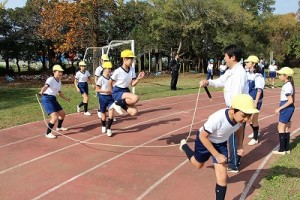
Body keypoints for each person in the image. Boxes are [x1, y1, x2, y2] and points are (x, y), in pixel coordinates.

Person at [180, 94, 259, 200]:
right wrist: (216, 155)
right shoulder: (218, 118)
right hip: (204, 141)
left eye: (249, 116)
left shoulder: (239, 120)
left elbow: (239, 129)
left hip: (220, 144)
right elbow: (203, 136)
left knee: (222, 177)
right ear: (232, 110)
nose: (246, 119)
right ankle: (184, 146)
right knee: (198, 164)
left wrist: (240, 144)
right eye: (244, 115)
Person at [200, 44, 248, 173]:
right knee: (232, 134)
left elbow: (237, 94)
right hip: (233, 108)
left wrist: (233, 111)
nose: (224, 58)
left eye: (225, 56)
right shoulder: (231, 71)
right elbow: (221, 81)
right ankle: (234, 161)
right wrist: (208, 82)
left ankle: (234, 164)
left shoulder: (239, 73)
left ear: (232, 57)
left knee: (233, 135)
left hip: (237, 108)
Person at [109, 49, 145, 116]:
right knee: (135, 98)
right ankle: (116, 103)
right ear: (124, 59)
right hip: (117, 91)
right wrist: (112, 92)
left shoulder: (132, 69)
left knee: (134, 112)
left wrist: (138, 78)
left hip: (126, 90)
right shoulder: (118, 71)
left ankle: (118, 104)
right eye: (130, 59)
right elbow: (110, 81)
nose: (132, 61)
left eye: (132, 59)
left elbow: (132, 84)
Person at [39, 65, 70, 139]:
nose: (60, 73)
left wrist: (66, 98)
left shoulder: (59, 82)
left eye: (61, 72)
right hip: (47, 98)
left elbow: (59, 92)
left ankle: (59, 127)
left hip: (53, 98)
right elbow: (46, 86)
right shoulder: (50, 79)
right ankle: (48, 133)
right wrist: (42, 91)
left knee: (62, 114)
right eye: (59, 72)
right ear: (54, 72)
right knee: (54, 117)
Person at [272, 67, 295, 155]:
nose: (279, 76)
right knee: (285, 127)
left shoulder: (287, 86)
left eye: (280, 75)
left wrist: (279, 108)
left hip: (286, 107)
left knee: (281, 127)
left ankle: (282, 150)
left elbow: (290, 100)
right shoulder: (288, 84)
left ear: (286, 76)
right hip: (287, 107)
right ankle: (286, 148)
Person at [244, 56, 265, 145]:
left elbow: (259, 90)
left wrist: (256, 101)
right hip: (248, 99)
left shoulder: (258, 76)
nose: (246, 63)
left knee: (253, 119)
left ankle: (255, 138)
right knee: (248, 119)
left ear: (253, 64)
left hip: (255, 99)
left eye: (248, 62)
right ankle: (256, 131)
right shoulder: (247, 73)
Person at [95, 61, 115, 137]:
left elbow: (113, 87)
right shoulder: (100, 79)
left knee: (111, 114)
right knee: (103, 115)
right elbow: (97, 89)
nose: (110, 70)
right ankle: (103, 126)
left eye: (110, 68)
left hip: (110, 98)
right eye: (108, 68)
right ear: (104, 69)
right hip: (103, 97)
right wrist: (105, 91)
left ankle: (109, 128)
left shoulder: (111, 78)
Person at [95, 54, 110, 118]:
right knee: (100, 100)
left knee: (109, 101)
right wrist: (98, 85)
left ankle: (110, 114)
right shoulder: (99, 68)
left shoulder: (108, 67)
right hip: (100, 86)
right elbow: (96, 78)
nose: (105, 61)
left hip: (107, 86)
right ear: (101, 60)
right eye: (104, 60)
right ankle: (99, 111)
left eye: (107, 60)